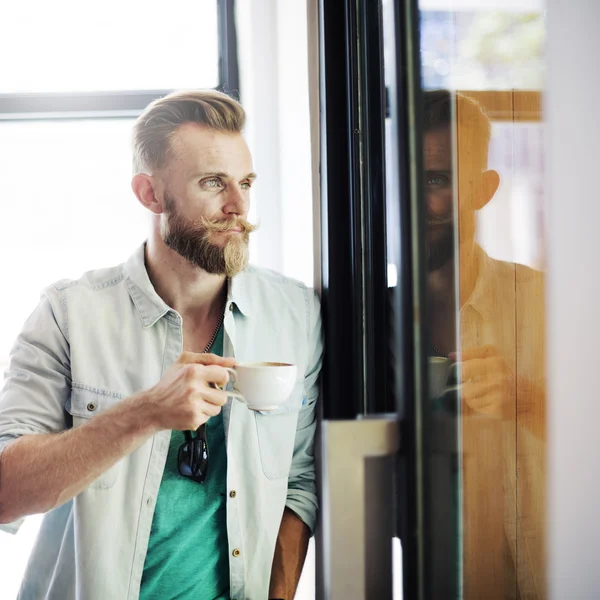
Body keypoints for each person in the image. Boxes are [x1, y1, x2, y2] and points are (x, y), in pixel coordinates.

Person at [0, 89, 323, 600]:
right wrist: (144, 414)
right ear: (150, 194)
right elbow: (4, 495)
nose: (238, 206)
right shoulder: (67, 314)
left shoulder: (297, 314)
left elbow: (299, 481)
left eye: (245, 183)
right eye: (213, 183)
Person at [423, 90, 546, 599]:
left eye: (437, 179)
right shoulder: (361, 323)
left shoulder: (549, 305)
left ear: (485, 189)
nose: (419, 202)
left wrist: (529, 402)